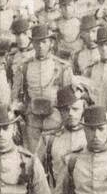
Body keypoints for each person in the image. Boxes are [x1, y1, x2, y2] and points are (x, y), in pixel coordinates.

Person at [14, 22, 73, 155]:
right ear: (32, 44)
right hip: (32, 120)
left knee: (56, 158)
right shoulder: (24, 67)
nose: (40, 46)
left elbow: (70, 99)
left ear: (51, 43)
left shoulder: (62, 67)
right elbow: (15, 96)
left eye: (44, 42)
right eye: (36, 42)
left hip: (55, 119)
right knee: (34, 159)